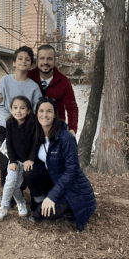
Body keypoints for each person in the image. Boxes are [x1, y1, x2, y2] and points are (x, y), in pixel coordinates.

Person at [23, 97, 96, 231]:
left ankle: (65, 206)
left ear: (55, 114)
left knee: (51, 214)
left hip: (72, 187)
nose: (45, 115)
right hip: (54, 180)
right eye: (41, 111)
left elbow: (72, 171)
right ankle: (41, 203)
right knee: (29, 169)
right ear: (36, 113)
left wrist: (52, 196)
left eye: (49, 111)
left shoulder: (66, 138)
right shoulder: (37, 135)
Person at [0, 44, 78, 136]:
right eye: (42, 58)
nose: (45, 62)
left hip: (56, 127)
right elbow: (14, 84)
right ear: (36, 61)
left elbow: (72, 107)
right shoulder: (29, 75)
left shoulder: (64, 82)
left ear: (55, 61)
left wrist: (72, 129)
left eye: (49, 59)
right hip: (30, 127)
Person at [0, 46, 42, 193]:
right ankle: (6, 193)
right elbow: (0, 104)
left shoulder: (33, 87)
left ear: (31, 64)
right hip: (5, 125)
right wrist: (11, 120)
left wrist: (23, 122)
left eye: (27, 59)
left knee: (20, 159)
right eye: (20, 59)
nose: (23, 61)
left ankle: (19, 190)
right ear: (14, 63)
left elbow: (35, 110)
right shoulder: (5, 80)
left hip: (25, 129)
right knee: (6, 159)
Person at [0, 96, 35, 221]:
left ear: (28, 111)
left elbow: (35, 143)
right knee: (10, 181)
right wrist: (11, 161)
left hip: (26, 161)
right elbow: (9, 143)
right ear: (11, 110)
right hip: (14, 161)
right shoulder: (9, 122)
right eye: (15, 108)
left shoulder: (32, 123)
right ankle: (4, 207)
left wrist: (30, 159)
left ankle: (21, 203)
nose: (18, 111)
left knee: (16, 185)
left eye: (22, 108)